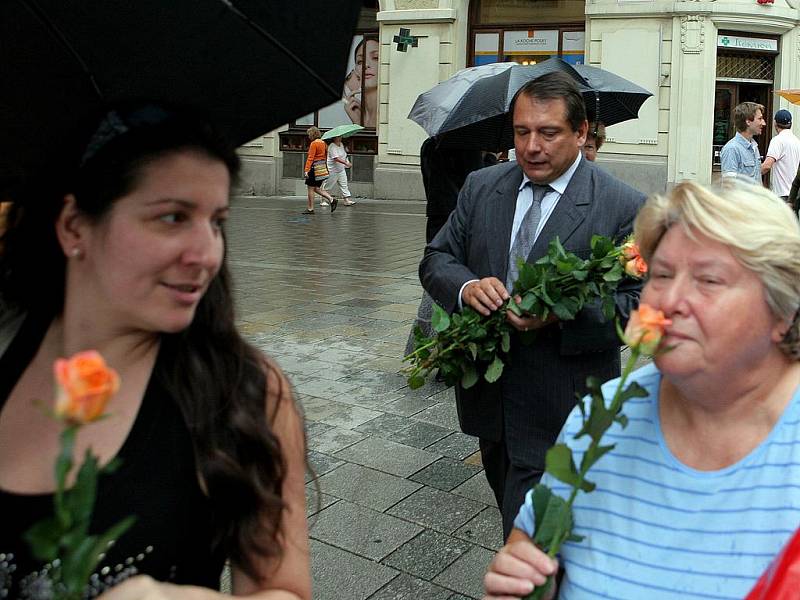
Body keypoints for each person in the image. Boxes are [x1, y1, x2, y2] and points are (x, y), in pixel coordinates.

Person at [0, 105, 311, 599]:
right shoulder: (8, 346)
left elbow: (285, 590)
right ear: (74, 226)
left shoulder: (242, 394)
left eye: (216, 221)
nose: (207, 253)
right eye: (172, 217)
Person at [484, 181, 800, 599]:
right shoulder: (603, 414)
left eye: (708, 280)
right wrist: (522, 579)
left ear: (783, 310)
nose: (669, 300)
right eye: (663, 274)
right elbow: (532, 541)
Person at [419, 72, 646, 538]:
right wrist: (465, 289)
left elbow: (641, 304)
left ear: (581, 133)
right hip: (489, 399)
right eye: (522, 132)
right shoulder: (482, 187)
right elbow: (437, 258)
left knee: (534, 539)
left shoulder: (622, 206)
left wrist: (563, 315)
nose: (531, 147)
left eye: (548, 133)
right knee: (513, 511)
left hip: (562, 406)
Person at [404, 137, 487, 356]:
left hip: (436, 216)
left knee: (438, 275)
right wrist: (488, 159)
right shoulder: (469, 146)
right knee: (455, 281)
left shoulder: (429, 145)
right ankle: (445, 350)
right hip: (458, 220)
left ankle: (422, 349)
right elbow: (476, 183)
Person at [720, 101, 765, 184]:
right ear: (748, 121)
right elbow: (729, 186)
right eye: (760, 119)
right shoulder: (731, 149)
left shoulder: (754, 147)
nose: (763, 123)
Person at [761, 108, 800, 203]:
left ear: (775, 123)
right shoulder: (797, 141)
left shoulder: (777, 140)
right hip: (795, 194)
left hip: (782, 195)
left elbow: (766, 166)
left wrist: (749, 175)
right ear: (790, 124)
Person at [344, 38, 378, 129]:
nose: (366, 65)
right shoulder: (359, 114)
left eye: (376, 58)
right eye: (360, 61)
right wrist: (357, 124)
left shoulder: (392, 112)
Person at [302, 126, 335, 214]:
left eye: (309, 134)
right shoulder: (324, 143)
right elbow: (325, 157)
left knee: (310, 189)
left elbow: (310, 158)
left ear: (312, 134)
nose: (308, 136)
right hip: (321, 168)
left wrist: (306, 170)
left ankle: (310, 209)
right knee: (316, 188)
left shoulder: (314, 144)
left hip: (313, 168)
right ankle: (331, 199)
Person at [322, 135, 355, 206]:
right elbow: (336, 158)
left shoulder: (341, 145)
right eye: (338, 137)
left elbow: (344, 155)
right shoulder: (332, 146)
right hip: (332, 170)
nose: (340, 138)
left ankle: (346, 200)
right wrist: (345, 163)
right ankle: (323, 200)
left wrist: (347, 161)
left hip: (340, 169)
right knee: (328, 185)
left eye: (341, 137)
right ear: (334, 138)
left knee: (344, 184)